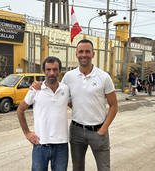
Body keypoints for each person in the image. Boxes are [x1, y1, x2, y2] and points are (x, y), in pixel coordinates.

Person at [32, 39, 118, 171]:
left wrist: (103, 129)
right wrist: (37, 85)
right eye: (81, 51)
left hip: (99, 131)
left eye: (87, 51)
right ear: (76, 54)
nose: (84, 54)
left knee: (104, 168)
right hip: (76, 131)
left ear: (93, 54)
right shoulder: (68, 76)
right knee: (77, 168)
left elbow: (114, 106)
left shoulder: (104, 77)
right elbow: (58, 90)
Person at [16, 56, 70, 171]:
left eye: (55, 69)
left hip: (61, 146)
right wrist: (27, 133)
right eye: (48, 69)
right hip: (40, 145)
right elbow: (20, 110)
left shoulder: (66, 89)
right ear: (44, 71)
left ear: (60, 71)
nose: (52, 73)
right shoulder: (35, 89)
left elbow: (75, 106)